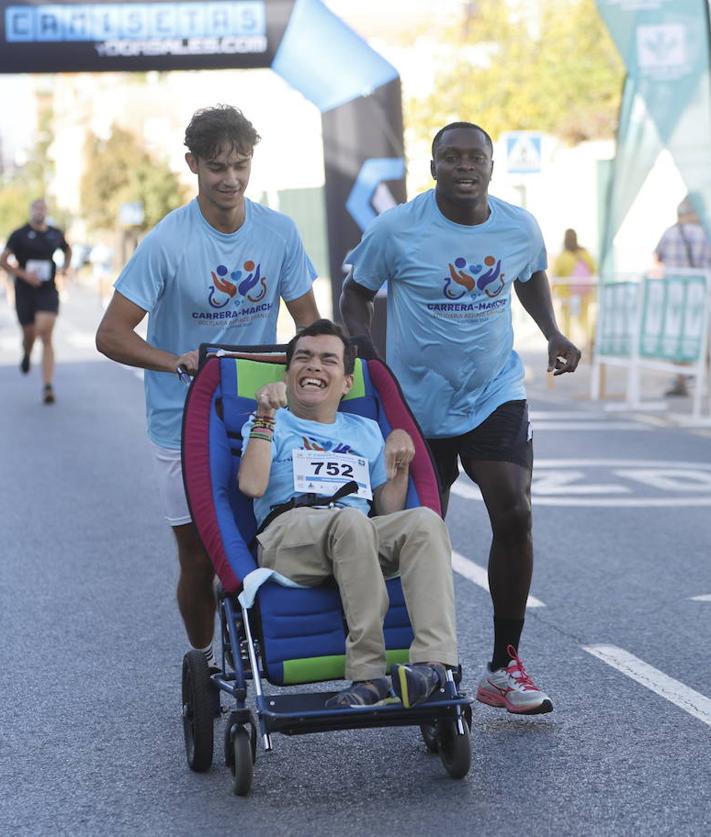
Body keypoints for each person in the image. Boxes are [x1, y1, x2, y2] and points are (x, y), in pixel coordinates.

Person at [340, 121, 581, 715]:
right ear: (434, 166)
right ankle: (429, 661)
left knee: (515, 509)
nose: (465, 166)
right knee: (419, 533)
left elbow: (529, 276)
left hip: (494, 392)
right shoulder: (398, 229)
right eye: (452, 157)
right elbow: (355, 293)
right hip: (415, 406)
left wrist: (552, 332)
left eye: (476, 157)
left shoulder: (519, 226)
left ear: (492, 167)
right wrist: (365, 352)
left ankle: (503, 665)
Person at [95, 105, 320, 669]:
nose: (231, 179)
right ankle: (203, 665)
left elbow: (311, 329)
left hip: (258, 411)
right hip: (182, 418)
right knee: (198, 557)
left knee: (271, 538)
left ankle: (274, 651)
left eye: (241, 165)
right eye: (217, 166)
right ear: (193, 164)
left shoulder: (280, 231)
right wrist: (177, 362)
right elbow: (110, 335)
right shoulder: (168, 241)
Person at [239, 319, 459, 708]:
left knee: (423, 521)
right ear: (288, 373)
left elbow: (387, 511)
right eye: (303, 358)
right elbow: (252, 487)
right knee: (351, 522)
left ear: (345, 382)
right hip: (290, 536)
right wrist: (264, 417)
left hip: (355, 534)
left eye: (328, 360)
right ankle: (369, 675)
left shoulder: (366, 430)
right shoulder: (270, 420)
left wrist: (399, 460)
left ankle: (433, 665)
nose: (313, 366)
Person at [0, 198, 72, 404]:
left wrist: (65, 267)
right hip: (24, 291)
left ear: (47, 212)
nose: (40, 211)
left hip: (47, 290)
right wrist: (23, 275)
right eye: (36, 208)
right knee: (29, 333)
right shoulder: (19, 234)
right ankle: (26, 352)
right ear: (30, 211)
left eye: (43, 208)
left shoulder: (55, 233)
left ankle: (48, 386)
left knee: (45, 333)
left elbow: (68, 250)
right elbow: (3, 260)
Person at [654, 196, 711, 397]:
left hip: (675, 294)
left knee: (677, 337)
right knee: (704, 336)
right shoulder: (705, 232)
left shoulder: (670, 233)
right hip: (701, 293)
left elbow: (658, 257)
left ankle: (681, 381)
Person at [552, 228, 597, 351]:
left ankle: (568, 347)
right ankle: (589, 343)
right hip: (584, 295)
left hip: (567, 295)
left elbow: (555, 275)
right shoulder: (585, 254)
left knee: (566, 321)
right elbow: (593, 269)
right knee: (584, 320)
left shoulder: (562, 257)